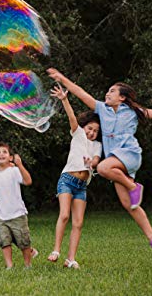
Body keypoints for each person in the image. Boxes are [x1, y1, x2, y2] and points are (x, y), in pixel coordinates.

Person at [48, 68, 152, 258]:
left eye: (112, 91)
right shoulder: (102, 109)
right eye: (108, 90)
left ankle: (133, 186)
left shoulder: (133, 112)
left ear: (122, 97)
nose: (107, 93)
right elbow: (80, 92)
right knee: (129, 204)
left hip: (129, 155)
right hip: (116, 162)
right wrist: (62, 78)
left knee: (103, 167)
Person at [47, 84, 102, 269]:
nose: (92, 133)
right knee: (64, 215)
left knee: (78, 223)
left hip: (81, 186)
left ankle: (70, 259)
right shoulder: (78, 134)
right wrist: (64, 99)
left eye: (95, 131)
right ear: (84, 126)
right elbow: (71, 117)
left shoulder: (97, 146)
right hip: (67, 180)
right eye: (90, 128)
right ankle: (56, 250)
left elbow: (95, 161)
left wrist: (90, 163)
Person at [0, 143, 33, 269]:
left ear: (11, 157)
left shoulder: (14, 171)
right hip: (1, 215)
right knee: (4, 242)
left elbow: (28, 181)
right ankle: (9, 266)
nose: (1, 154)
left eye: (4, 152)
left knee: (23, 242)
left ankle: (28, 265)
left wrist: (20, 165)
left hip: (18, 214)